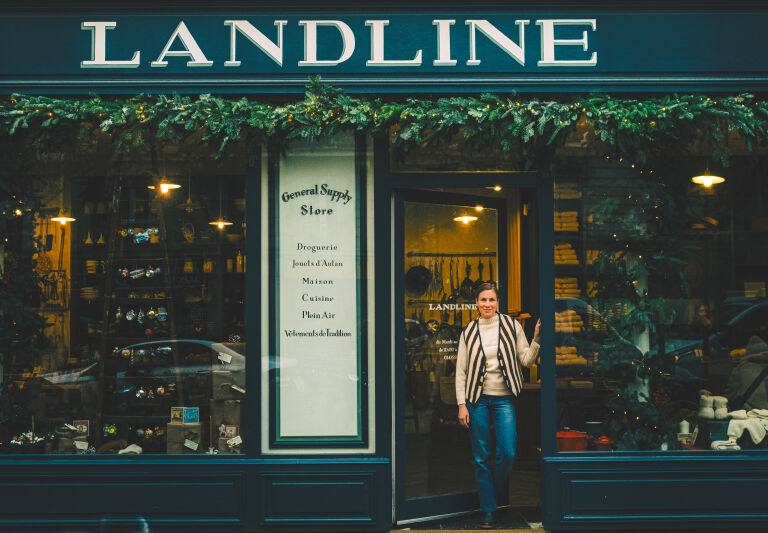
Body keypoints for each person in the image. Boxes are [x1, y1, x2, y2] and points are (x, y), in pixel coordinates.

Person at [455, 282, 541, 529]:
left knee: (507, 451)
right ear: (476, 303)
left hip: (504, 399)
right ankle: (489, 509)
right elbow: (461, 372)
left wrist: (535, 340)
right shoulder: (468, 331)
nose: (487, 305)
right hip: (477, 400)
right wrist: (462, 404)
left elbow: (525, 360)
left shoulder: (511, 326)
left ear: (497, 302)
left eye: (491, 300)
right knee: (481, 457)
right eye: (483, 300)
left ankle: (490, 493)